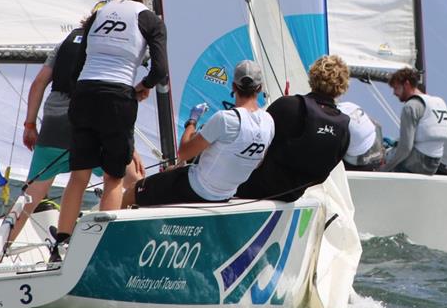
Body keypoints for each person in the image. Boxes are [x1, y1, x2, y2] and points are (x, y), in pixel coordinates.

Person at [51, 0, 168, 257]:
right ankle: (99, 249)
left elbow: (77, 67)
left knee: (79, 176)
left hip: (85, 93)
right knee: (113, 178)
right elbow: (159, 71)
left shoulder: (97, 15)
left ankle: (61, 243)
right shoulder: (150, 20)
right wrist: (142, 88)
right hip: (117, 98)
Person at [5, 23, 144, 252]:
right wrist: (131, 145)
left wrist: (30, 124)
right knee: (133, 178)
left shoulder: (64, 44)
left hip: (53, 122)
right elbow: (114, 97)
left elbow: (39, 82)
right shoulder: (113, 45)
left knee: (32, 194)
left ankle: (1, 249)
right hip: (90, 118)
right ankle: (117, 242)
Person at [122, 60, 274, 208]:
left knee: (131, 192)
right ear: (259, 88)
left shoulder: (226, 119)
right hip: (226, 193)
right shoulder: (269, 121)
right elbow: (257, 163)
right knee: (171, 171)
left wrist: (192, 121)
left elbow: (183, 153)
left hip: (198, 189)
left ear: (234, 86)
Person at [235, 55, 351, 202]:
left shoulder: (288, 105)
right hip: (293, 196)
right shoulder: (344, 127)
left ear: (313, 77)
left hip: (252, 189)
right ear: (343, 86)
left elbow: (252, 137)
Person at [381, 68, 447, 175]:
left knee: (384, 155)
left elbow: (405, 148)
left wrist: (384, 169)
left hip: (418, 164)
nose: (394, 93)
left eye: (396, 88)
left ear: (407, 84)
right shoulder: (439, 102)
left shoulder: (410, 107)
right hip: (435, 164)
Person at [338, 99, 385, 171]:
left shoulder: (334, 116)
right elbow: (377, 125)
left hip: (359, 160)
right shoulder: (349, 105)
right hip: (377, 148)